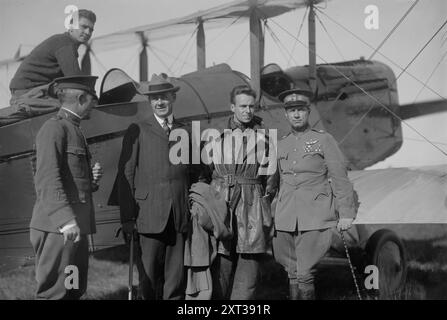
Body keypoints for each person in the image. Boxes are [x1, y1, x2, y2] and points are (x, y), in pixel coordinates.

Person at [272, 88, 357, 300]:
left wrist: (346, 213)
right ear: (286, 114)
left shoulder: (324, 140)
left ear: (308, 111)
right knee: (292, 272)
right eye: (292, 110)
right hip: (285, 217)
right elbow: (274, 182)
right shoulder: (281, 144)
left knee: (304, 273)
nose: (297, 114)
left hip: (315, 216)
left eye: (300, 109)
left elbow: (340, 177)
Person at [117, 74, 195, 300]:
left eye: (164, 97)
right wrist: (127, 218)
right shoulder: (137, 130)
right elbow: (126, 176)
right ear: (149, 102)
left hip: (178, 216)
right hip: (148, 216)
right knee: (149, 280)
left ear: (173, 97)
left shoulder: (185, 131)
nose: (159, 102)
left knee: (176, 280)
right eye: (154, 98)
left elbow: (194, 171)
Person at [30, 75, 103, 299]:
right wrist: (65, 220)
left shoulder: (74, 129)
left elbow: (70, 177)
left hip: (72, 227)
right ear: (81, 98)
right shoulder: (54, 129)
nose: (94, 105)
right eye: (92, 100)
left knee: (73, 289)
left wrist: (90, 181)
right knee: (56, 292)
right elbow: (47, 178)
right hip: (60, 228)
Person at [208, 85, 275, 300]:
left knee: (249, 272)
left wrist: (262, 203)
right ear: (232, 107)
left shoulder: (264, 137)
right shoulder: (216, 136)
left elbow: (272, 178)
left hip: (253, 206)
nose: (247, 110)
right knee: (221, 268)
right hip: (223, 205)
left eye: (251, 106)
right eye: (242, 106)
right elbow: (204, 172)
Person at [8, 9, 96, 116]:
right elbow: (76, 81)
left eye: (91, 30)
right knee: (76, 107)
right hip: (26, 95)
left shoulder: (65, 42)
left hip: (34, 92)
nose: (88, 32)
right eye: (84, 27)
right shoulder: (65, 43)